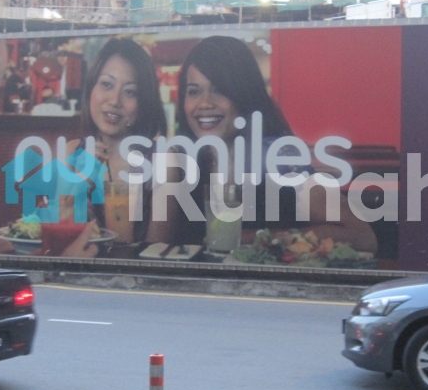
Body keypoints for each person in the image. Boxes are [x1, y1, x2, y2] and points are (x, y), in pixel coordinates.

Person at [168, 35, 377, 254]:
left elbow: (362, 236)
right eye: (194, 91)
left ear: (244, 95)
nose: (204, 103)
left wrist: (260, 238)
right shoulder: (180, 161)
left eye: (219, 90)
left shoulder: (279, 158)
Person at [49, 37, 167, 255]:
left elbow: (157, 256)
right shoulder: (71, 151)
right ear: (91, 89)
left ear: (143, 102)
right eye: (106, 84)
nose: (115, 100)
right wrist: (80, 182)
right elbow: (57, 243)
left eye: (130, 91)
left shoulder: (162, 161)